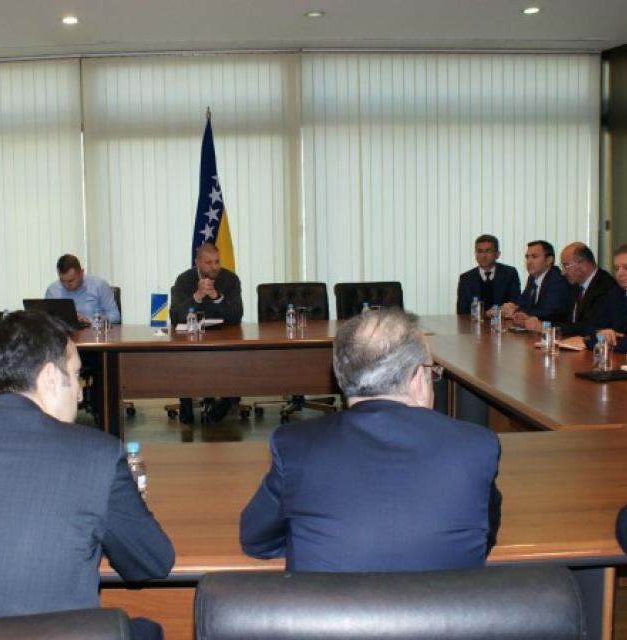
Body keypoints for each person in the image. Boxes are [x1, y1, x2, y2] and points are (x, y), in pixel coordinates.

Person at [0, 310, 174, 639]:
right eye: (76, 375)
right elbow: (152, 561)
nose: (80, 393)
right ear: (49, 377)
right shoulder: (97, 454)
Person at [240, 308, 502, 572]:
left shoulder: (296, 445)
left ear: (341, 375)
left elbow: (256, 541)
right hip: (443, 600)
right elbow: (483, 537)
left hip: (328, 600)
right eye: (431, 371)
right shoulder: (476, 447)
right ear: (417, 380)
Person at [170, 242, 243, 423]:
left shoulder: (230, 280)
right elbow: (176, 316)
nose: (214, 267)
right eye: (209, 263)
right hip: (191, 339)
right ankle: (186, 404)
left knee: (237, 361)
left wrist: (216, 297)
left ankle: (223, 405)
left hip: (223, 338)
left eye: (217, 261)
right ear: (197, 262)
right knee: (182, 359)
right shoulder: (184, 280)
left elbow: (236, 315)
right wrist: (197, 296)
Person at [525, 242, 623, 337]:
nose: (563, 272)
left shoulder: (605, 287)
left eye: (566, 265)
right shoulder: (576, 285)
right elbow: (568, 321)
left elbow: (588, 327)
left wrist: (546, 327)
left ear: (583, 264)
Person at [561, 243, 627, 352]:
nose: (619, 273)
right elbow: (592, 327)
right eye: (616, 268)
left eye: (626, 268)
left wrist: (594, 341)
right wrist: (602, 334)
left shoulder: (606, 286)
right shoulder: (616, 294)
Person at [502, 240, 572, 326]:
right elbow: (522, 303)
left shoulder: (557, 279)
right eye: (527, 257)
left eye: (534, 257)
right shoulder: (532, 278)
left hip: (555, 331)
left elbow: (549, 312)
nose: (529, 262)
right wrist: (512, 307)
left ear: (549, 260)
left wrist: (516, 311)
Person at [44, 254, 121, 325]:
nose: (66, 285)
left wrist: (90, 320)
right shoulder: (52, 291)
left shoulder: (100, 285)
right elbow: (46, 319)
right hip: (64, 333)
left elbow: (115, 316)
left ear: (81, 273)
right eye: (62, 281)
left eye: (71, 281)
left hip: (94, 333)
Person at [456, 234, 521, 314]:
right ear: (475, 254)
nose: (484, 255)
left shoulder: (510, 274)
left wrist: (498, 312)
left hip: (503, 321)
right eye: (480, 251)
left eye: (488, 251)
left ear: (497, 254)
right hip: (473, 321)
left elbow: (515, 303)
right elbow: (461, 312)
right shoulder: (465, 278)